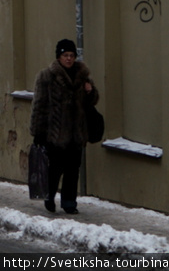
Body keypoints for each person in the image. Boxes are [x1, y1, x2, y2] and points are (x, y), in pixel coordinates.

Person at [30, 39, 98, 215]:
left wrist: (90, 91)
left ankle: (69, 203)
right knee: (54, 169)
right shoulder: (46, 77)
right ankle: (49, 196)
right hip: (55, 132)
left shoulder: (82, 77)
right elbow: (39, 106)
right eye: (65, 55)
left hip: (76, 133)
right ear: (58, 57)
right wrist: (38, 133)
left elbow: (91, 103)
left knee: (73, 170)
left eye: (71, 55)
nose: (69, 59)